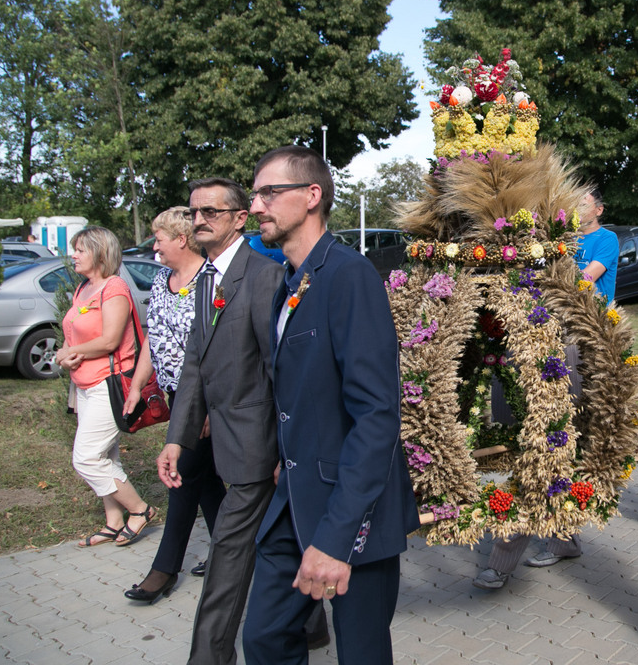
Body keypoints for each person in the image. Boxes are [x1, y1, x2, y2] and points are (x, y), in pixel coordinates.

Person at [241, 145, 418, 665]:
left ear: (312, 195)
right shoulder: (293, 281)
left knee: (361, 653)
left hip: (352, 509)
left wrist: (338, 538)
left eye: (269, 193)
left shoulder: (348, 275)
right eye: (255, 194)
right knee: (265, 637)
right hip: (294, 500)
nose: (255, 206)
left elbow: (377, 414)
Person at [156, 178, 291, 665]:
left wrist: (283, 451)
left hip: (257, 447)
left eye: (211, 211)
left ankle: (209, 657)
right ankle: (309, 626)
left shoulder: (264, 276)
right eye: (194, 212)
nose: (199, 220)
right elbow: (195, 363)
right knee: (282, 541)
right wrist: (177, 439)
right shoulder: (206, 278)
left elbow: (280, 370)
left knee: (228, 554)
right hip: (221, 441)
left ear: (239, 218)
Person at [472, 186, 615, 588]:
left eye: (582, 202)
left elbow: (579, 282)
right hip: (532, 342)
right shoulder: (544, 243)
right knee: (549, 445)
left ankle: (502, 561)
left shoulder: (601, 241)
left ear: (598, 208)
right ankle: (565, 538)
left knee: (545, 442)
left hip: (573, 344)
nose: (574, 208)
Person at [121, 208, 226, 604]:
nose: (155, 246)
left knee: (181, 475)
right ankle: (231, 553)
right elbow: (154, 337)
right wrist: (136, 386)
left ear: (181, 239)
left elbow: (220, 348)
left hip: (201, 398)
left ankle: (164, 570)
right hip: (174, 395)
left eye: (159, 238)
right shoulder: (162, 280)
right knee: (205, 479)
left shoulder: (212, 282)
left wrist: (207, 408)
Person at [57, 226, 157, 548]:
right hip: (84, 384)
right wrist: (67, 355)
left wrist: (73, 352)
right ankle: (113, 522)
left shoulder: (114, 288)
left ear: (100, 254)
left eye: (80, 250)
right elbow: (74, 331)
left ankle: (140, 510)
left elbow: (111, 340)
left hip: (108, 384)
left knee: (86, 458)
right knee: (105, 455)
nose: (74, 255)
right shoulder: (83, 288)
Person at [575, 187, 618, 301]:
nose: (578, 210)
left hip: (594, 310)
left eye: (584, 205)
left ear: (599, 210)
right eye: (576, 205)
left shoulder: (608, 239)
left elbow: (585, 279)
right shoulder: (568, 238)